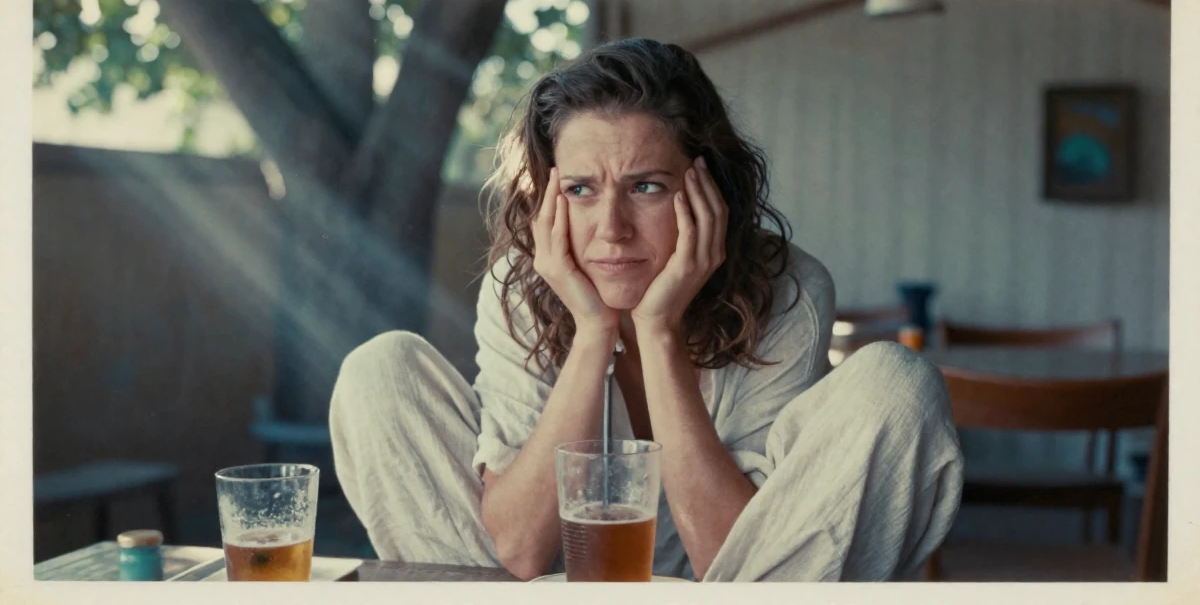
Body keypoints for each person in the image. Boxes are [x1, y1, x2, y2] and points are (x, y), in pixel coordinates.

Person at [329, 37, 964, 582]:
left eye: (646, 187)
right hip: (540, 583)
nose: (611, 228)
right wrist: (593, 334)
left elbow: (734, 555)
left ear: (709, 189)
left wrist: (657, 331)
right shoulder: (519, 287)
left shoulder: (788, 288)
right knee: (379, 369)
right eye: (580, 189)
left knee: (898, 382)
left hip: (724, 584)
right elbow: (519, 551)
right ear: (551, 199)